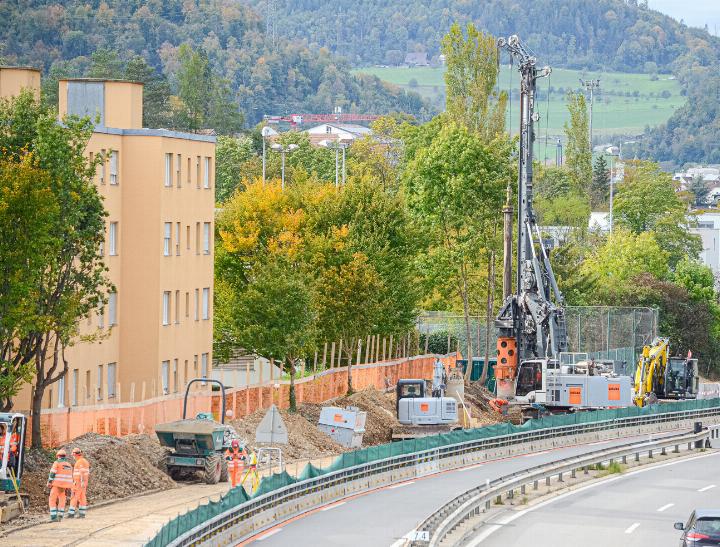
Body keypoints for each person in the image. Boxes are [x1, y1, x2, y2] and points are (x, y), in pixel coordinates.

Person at [47, 449, 74, 521]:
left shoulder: (57, 463)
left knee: (52, 499)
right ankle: (60, 515)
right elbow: (70, 475)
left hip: (57, 484)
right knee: (62, 499)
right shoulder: (69, 465)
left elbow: (52, 473)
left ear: (58, 456)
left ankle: (53, 517)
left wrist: (49, 482)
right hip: (65, 486)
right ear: (64, 456)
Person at [68, 447, 90, 518]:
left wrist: (82, 481)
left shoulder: (79, 462)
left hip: (78, 482)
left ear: (76, 454)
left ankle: (71, 514)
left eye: (73, 455)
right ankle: (82, 513)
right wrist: (84, 481)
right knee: (82, 497)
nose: (73, 457)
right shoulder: (85, 461)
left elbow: (82, 472)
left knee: (74, 497)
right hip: (83, 483)